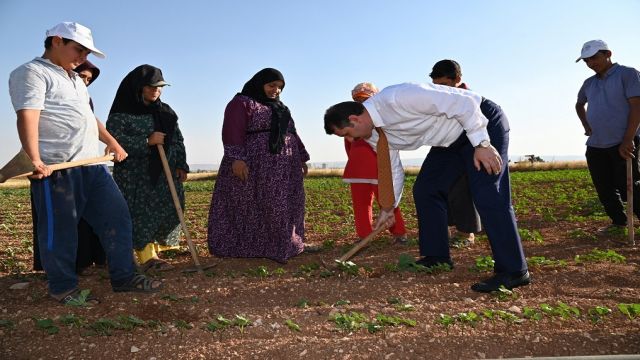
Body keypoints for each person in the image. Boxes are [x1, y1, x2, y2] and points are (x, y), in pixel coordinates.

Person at [324, 82, 529, 292]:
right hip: (448, 143)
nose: (351, 140)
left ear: (354, 119)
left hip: (479, 121)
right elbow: (391, 167)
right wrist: (388, 207)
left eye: (347, 134)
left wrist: (482, 144)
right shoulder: (373, 135)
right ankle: (436, 256)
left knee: (487, 193)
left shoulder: (398, 97)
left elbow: (464, 102)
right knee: (426, 189)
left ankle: (513, 270)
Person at [9, 21, 161, 304]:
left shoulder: (76, 79)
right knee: (61, 231)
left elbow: (88, 118)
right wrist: (35, 158)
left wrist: (112, 141)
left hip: (93, 166)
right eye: (78, 49)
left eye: (86, 51)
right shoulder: (31, 73)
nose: (83, 57)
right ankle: (63, 288)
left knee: (117, 218)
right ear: (56, 41)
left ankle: (124, 277)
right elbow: (27, 115)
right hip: (57, 168)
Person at [207, 68, 310, 263]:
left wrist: (302, 157)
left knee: (285, 205)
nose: (276, 90)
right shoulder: (242, 103)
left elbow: (292, 133)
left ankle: (286, 244)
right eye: (272, 85)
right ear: (259, 84)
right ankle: (255, 246)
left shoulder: (281, 108)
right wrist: (237, 158)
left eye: (280, 87)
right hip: (255, 166)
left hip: (284, 167)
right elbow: (232, 131)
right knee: (257, 205)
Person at [106, 64, 189, 271]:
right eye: (151, 87)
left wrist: (181, 164)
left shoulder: (166, 112)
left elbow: (178, 140)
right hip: (135, 174)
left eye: (160, 87)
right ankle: (146, 257)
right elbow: (115, 141)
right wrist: (146, 141)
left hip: (165, 172)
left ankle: (156, 250)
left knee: (166, 207)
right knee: (140, 211)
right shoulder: (121, 113)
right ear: (138, 87)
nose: (156, 91)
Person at [31, 60, 106, 275]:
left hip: (82, 164)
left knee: (82, 219)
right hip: (53, 165)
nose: (84, 81)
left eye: (88, 79)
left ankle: (82, 263)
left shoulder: (84, 99)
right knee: (59, 220)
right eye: (81, 76)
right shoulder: (49, 92)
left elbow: (91, 122)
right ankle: (59, 273)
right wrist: (35, 158)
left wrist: (112, 142)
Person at [575, 40, 640, 231]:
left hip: (623, 141)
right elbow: (579, 104)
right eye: (587, 61)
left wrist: (628, 139)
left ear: (608, 54)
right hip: (596, 144)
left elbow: (637, 106)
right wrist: (586, 125)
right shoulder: (589, 83)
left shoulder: (628, 74)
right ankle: (619, 222)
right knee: (604, 188)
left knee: (629, 186)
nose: (591, 63)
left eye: (594, 58)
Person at [344, 82, 407, 243]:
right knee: (361, 204)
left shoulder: (383, 119)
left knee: (387, 199)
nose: (361, 103)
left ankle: (399, 232)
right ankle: (364, 235)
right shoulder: (351, 122)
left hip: (381, 169)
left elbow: (391, 143)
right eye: (358, 100)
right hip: (357, 171)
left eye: (365, 99)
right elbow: (348, 145)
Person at [429, 60, 482, 247]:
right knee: (443, 187)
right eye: (436, 85)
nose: (439, 89)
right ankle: (454, 229)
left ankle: (466, 233)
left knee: (462, 189)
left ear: (457, 79)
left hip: (467, 147)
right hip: (446, 146)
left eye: (443, 84)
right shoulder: (438, 97)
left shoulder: (471, 98)